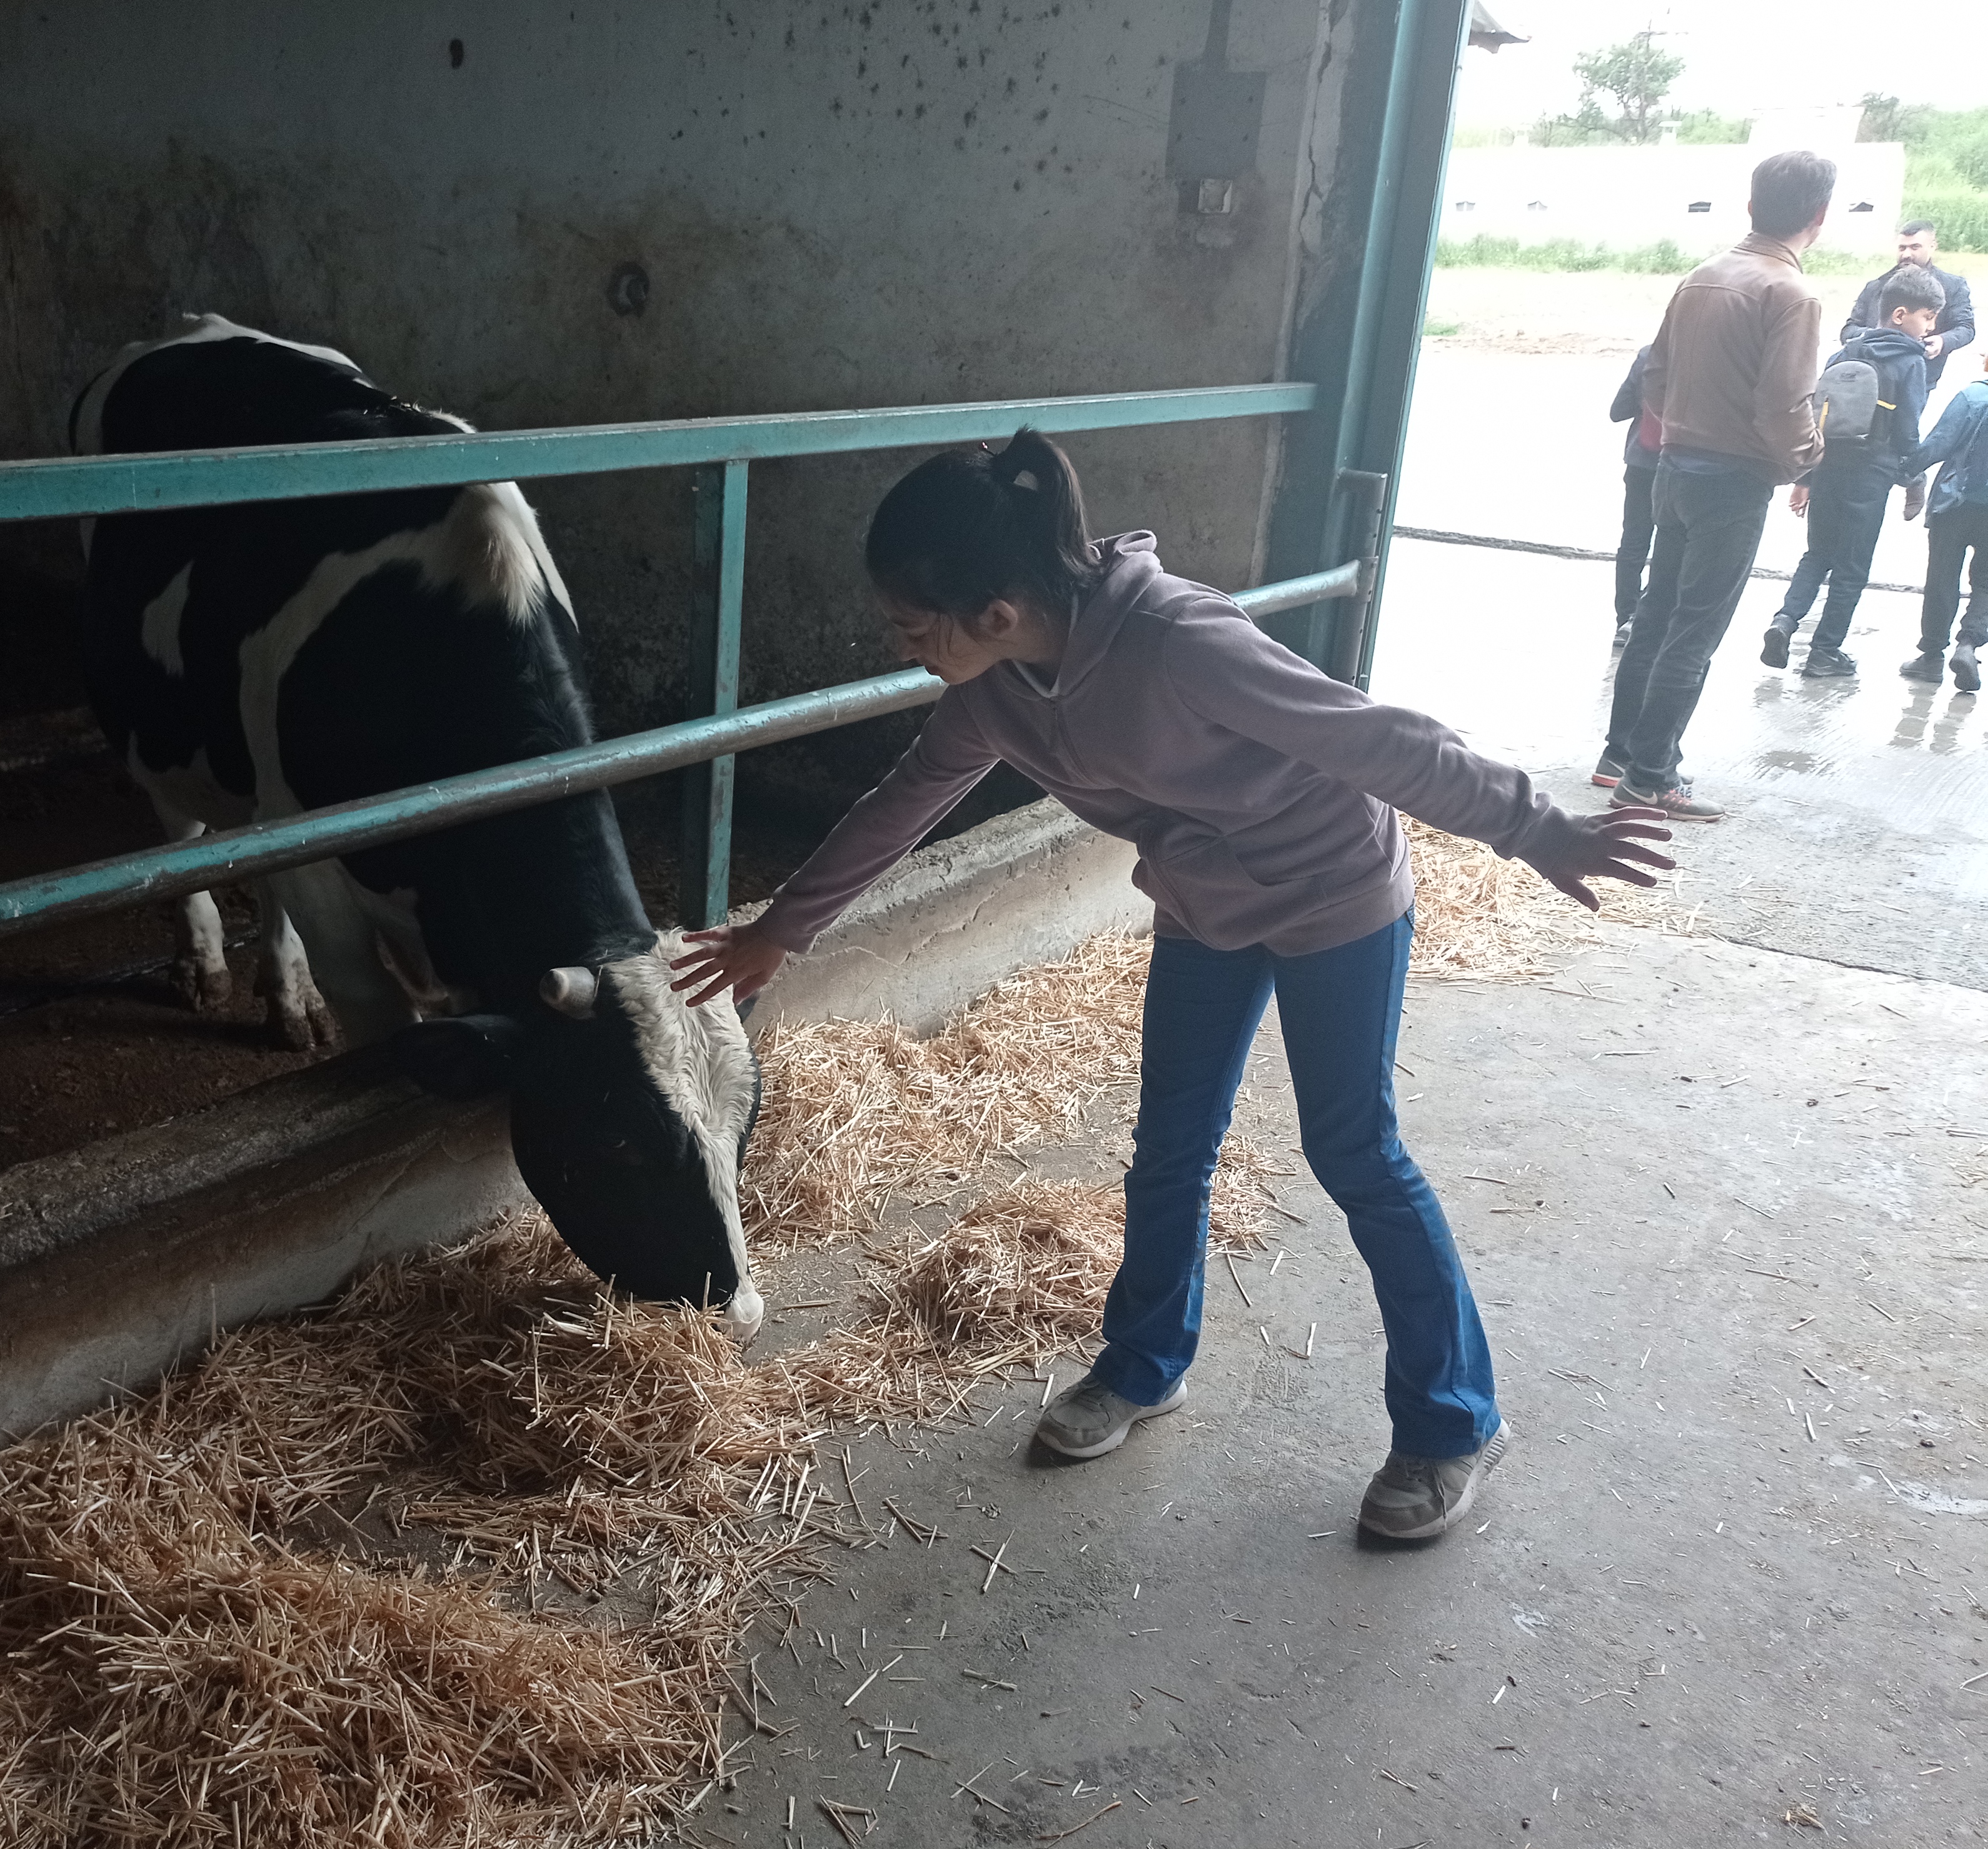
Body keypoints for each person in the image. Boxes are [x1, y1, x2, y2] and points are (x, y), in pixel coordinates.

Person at [672, 430, 1675, 1542]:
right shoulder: (997, 691)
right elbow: (902, 801)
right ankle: (1145, 1364)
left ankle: (1451, 1421)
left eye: (916, 627)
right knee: (1170, 1144)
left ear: (996, 611)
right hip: (1206, 905)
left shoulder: (1177, 642)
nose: (905, 648)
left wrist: (1535, 827)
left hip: (1333, 891)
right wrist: (783, 932)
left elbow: (1370, 737)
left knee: (1356, 1152)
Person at [1595, 150, 1835, 823]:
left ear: (1752, 206)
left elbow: (1655, 373)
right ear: (1819, 217)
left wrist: (1681, 430)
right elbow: (1785, 404)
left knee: (1654, 617)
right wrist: (1805, 460)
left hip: (1671, 469)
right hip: (1732, 482)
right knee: (1693, 633)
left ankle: (1621, 754)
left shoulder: (1701, 276)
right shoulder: (1792, 294)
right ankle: (1649, 779)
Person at [1765, 265, 1943, 677]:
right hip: (1871, 477)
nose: (1930, 327)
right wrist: (1912, 477)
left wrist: (1805, 478)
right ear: (1900, 315)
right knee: (1851, 567)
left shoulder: (1845, 354)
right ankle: (1825, 652)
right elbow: (1908, 429)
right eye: (1927, 317)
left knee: (1817, 554)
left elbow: (1816, 417)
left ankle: (1785, 620)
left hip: (1828, 468)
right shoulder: (1910, 364)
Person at [1897, 364, 1988, 690]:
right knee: (1987, 584)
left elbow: (1939, 443)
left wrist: (1905, 470)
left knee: (1941, 578)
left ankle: (1932, 656)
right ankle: (1969, 645)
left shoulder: (1974, 395)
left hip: (1955, 504)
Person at [1843, 221, 1975, 396]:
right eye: (1902, 248)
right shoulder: (1876, 286)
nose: (1907, 254)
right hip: (1869, 376)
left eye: (1915, 247)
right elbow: (1849, 330)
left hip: (1919, 380)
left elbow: (1965, 328)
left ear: (1933, 247)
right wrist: (1877, 338)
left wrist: (1942, 341)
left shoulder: (1952, 286)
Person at [1608, 343, 1660, 652]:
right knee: (1673, 547)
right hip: (1685, 464)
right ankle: (1651, 618)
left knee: (1633, 544)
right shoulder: (1714, 356)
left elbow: (1618, 411)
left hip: (1642, 461)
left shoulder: (1649, 355)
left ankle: (1625, 618)